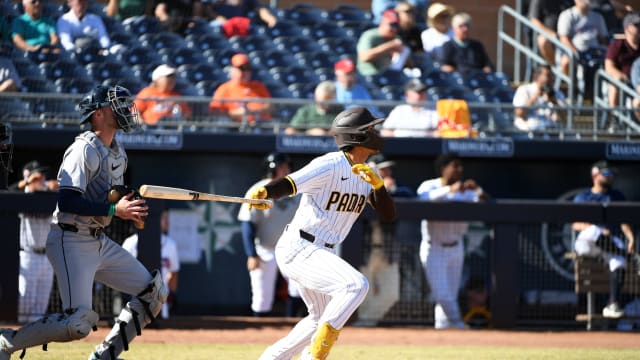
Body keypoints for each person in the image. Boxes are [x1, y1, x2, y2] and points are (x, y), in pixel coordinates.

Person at [0, 85, 167, 360]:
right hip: (70, 239)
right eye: (118, 105)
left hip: (97, 238)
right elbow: (67, 201)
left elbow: (108, 196)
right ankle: (8, 341)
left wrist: (128, 203)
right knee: (78, 323)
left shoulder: (118, 152)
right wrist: (115, 209)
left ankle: (105, 356)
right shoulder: (83, 150)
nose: (126, 110)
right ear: (99, 113)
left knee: (154, 292)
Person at [252, 107, 396, 359]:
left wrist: (379, 186)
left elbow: (388, 215)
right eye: (370, 129)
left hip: (321, 251)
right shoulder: (330, 163)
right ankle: (316, 354)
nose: (376, 133)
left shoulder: (366, 172)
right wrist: (266, 191)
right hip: (300, 246)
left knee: (318, 318)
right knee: (355, 285)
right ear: (357, 136)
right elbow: (290, 183)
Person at [417, 153, 487, 329]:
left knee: (450, 295)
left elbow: (483, 201)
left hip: (456, 248)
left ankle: (442, 332)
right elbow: (423, 198)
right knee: (442, 295)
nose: (459, 170)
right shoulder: (430, 185)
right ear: (443, 169)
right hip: (434, 248)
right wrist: (451, 189)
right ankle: (458, 325)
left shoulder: (465, 190)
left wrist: (476, 189)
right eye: (455, 166)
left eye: (460, 166)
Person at [238, 152, 303, 317]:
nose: (285, 171)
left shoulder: (297, 190)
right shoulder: (258, 190)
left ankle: (293, 327)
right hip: (265, 249)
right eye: (281, 167)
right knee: (262, 295)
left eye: (287, 167)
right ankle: (260, 333)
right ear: (271, 169)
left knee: (298, 289)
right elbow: (247, 223)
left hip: (292, 248)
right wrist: (251, 254)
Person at [572, 160, 636, 318]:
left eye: (612, 174)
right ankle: (625, 254)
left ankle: (612, 304)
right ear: (595, 175)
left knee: (619, 262)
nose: (610, 177)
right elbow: (576, 224)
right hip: (587, 243)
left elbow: (624, 222)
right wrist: (597, 229)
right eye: (606, 174)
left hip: (608, 243)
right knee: (594, 230)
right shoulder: (583, 197)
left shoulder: (616, 196)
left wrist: (631, 238)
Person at [17, 161, 58, 323]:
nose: (41, 178)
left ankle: (34, 341)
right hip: (29, 255)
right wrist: (29, 182)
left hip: (47, 256)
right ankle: (17, 339)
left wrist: (50, 185)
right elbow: (13, 189)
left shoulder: (50, 195)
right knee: (24, 304)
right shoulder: (24, 195)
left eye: (43, 175)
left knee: (41, 306)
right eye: (37, 175)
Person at [122, 210, 180, 319]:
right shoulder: (130, 243)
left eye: (167, 218)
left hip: (161, 304)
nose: (167, 221)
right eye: (164, 218)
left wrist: (170, 293)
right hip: (135, 301)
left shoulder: (170, 244)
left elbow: (173, 273)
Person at [209, 53, 272, 124]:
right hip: (236, 127)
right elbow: (215, 111)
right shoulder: (225, 88)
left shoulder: (258, 86)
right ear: (232, 69)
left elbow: (271, 106)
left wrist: (253, 112)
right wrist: (235, 114)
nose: (245, 72)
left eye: (247, 68)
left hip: (261, 125)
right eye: (241, 68)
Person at [557, 0, 609, 76]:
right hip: (574, 50)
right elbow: (563, 38)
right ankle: (572, 85)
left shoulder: (598, 17)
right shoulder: (567, 15)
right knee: (566, 61)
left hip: (593, 51)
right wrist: (576, 53)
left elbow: (603, 38)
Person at [512, 64, 567, 131]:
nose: (552, 79)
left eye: (552, 76)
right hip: (529, 131)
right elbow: (518, 113)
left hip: (551, 131)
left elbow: (565, 119)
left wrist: (554, 101)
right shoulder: (524, 90)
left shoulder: (557, 93)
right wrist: (535, 97)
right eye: (548, 75)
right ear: (537, 77)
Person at [604, 12, 640, 111]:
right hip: (624, 82)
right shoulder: (617, 45)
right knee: (615, 83)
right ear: (627, 28)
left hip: (638, 83)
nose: (639, 28)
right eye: (636, 26)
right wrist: (621, 76)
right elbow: (608, 66)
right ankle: (614, 118)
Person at [357, 9, 409, 76]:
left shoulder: (396, 38)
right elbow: (363, 57)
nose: (395, 29)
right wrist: (389, 46)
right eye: (392, 25)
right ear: (383, 23)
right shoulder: (370, 35)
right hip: (369, 76)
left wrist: (402, 53)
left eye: (397, 25)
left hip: (389, 76)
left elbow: (408, 64)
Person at [439, 12, 493, 77]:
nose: (465, 29)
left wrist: (486, 71)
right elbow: (444, 66)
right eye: (461, 26)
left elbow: (488, 65)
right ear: (454, 29)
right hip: (458, 82)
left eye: (467, 26)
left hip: (478, 80)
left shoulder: (477, 45)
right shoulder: (448, 46)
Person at [528, 0, 574, 65]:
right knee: (543, 40)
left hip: (567, 36)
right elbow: (534, 20)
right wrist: (552, 34)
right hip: (551, 39)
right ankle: (554, 69)